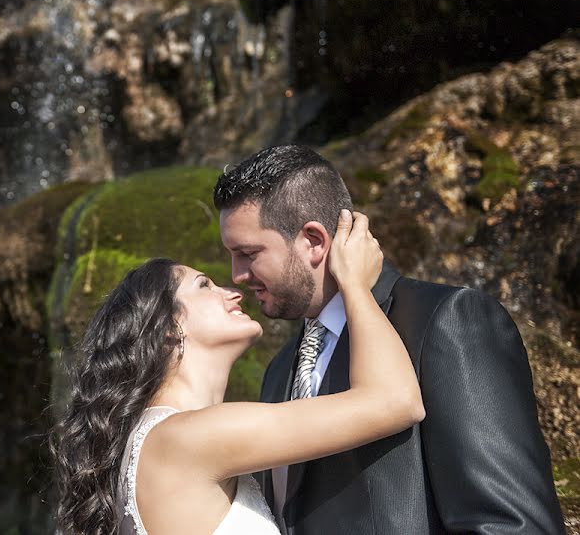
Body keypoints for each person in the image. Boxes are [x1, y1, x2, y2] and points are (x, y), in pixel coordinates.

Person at [213, 145, 565, 534]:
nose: (237, 275)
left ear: (313, 240)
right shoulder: (280, 369)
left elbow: (511, 523)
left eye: (248, 253)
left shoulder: (447, 321)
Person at [52, 209, 425, 534]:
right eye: (204, 285)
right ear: (167, 328)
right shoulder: (188, 438)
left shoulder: (165, 438)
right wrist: (355, 285)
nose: (233, 291)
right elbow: (396, 402)